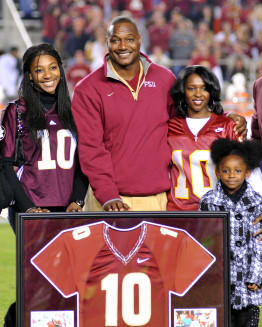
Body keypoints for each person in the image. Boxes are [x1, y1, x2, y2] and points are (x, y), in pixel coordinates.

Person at [71, 16, 247, 212]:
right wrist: (108, 195)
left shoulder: (164, 79)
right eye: (115, 40)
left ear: (139, 40)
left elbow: (187, 118)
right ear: (107, 42)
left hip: (158, 200)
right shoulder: (87, 89)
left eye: (129, 39)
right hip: (108, 201)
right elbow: (91, 149)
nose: (122, 46)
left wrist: (226, 118)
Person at [0, 43, 88, 232]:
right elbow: (5, 164)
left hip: (68, 209)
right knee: (35, 263)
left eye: (53, 68)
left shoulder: (75, 112)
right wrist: (28, 207)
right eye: (39, 70)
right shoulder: (17, 111)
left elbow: (83, 163)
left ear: (60, 70)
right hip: (31, 208)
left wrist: (77, 200)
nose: (48, 75)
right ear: (30, 75)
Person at [199, 138, 262, 327]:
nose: (231, 175)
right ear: (217, 172)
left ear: (247, 172)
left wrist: (256, 276)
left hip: (247, 284)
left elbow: (260, 243)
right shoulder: (208, 202)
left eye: (237, 171)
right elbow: (203, 241)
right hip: (220, 281)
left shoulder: (257, 203)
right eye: (225, 171)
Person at [167, 65, 240, 211]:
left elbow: (246, 171)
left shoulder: (227, 125)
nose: (198, 94)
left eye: (204, 88)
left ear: (211, 91)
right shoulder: (170, 126)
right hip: (178, 211)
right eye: (191, 88)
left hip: (217, 212)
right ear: (183, 91)